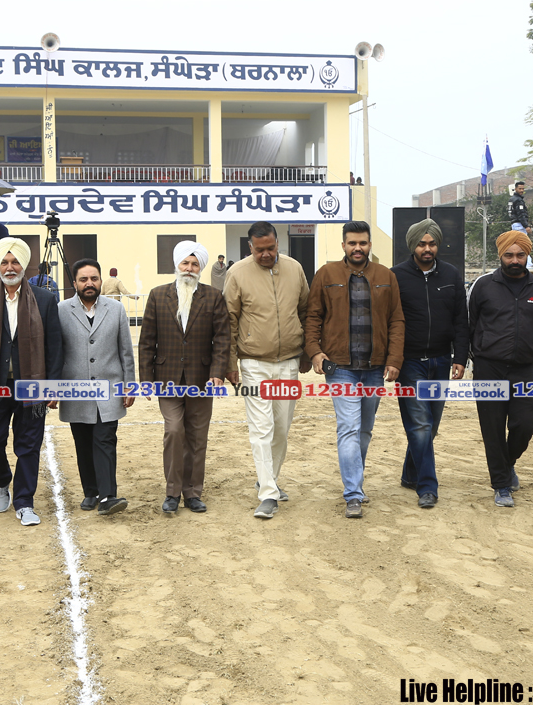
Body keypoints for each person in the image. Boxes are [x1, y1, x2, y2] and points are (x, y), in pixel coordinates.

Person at [304, 221, 404, 519]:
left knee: (364, 430)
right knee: (348, 428)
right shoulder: (326, 274)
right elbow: (313, 317)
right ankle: (353, 494)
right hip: (340, 367)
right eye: (352, 243)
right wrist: (315, 351)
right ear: (343, 245)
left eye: (362, 243)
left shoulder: (386, 276)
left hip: (375, 367)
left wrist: (394, 359)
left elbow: (396, 320)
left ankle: (355, 481)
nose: (357, 248)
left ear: (369, 245)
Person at [0, 237, 62, 526]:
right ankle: (2, 478)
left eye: (15, 262)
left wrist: (53, 386)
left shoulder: (44, 299)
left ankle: (24, 502)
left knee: (29, 445)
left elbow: (54, 347)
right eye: (5, 262)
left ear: (24, 265)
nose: (10, 268)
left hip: (33, 385)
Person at [224, 222, 310, 519]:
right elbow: (229, 320)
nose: (265, 254)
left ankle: (267, 479)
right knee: (261, 428)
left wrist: (306, 352)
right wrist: (230, 363)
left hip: (289, 361)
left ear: (278, 243)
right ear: (250, 247)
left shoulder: (295, 269)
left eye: (270, 248)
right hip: (254, 363)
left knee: (281, 428)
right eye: (259, 249)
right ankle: (268, 495)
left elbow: (305, 311)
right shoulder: (237, 273)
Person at [139, 240, 230, 515]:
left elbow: (222, 339)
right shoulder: (158, 295)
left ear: (200, 268)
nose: (189, 268)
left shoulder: (214, 296)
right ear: (177, 265)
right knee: (174, 431)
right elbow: (147, 341)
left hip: (202, 380)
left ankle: (192, 493)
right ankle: (172, 492)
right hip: (167, 379)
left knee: (197, 437)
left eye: (194, 264)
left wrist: (217, 373)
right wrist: (145, 379)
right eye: (185, 263)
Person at [467, 230, 533, 508]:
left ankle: (508, 463)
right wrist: (475, 358)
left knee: (525, 425)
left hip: (523, 369)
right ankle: (501, 485)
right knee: (492, 430)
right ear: (500, 255)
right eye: (509, 255)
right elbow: (470, 323)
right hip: (488, 368)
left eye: (520, 255)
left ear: (527, 256)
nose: (515, 260)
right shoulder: (483, 285)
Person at [390, 218, 468, 509]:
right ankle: (427, 487)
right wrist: (392, 359)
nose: (427, 249)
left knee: (430, 426)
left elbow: (461, 319)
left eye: (432, 243)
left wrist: (460, 357)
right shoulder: (396, 276)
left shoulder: (451, 274)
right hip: (410, 363)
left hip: (441, 361)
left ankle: (411, 473)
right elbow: (389, 321)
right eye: (422, 244)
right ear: (413, 246)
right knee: (420, 425)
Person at [57, 258, 136, 515]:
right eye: (83, 279)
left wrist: (129, 385)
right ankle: (90, 492)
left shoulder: (116, 309)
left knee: (105, 440)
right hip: (75, 390)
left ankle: (108, 495)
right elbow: (55, 352)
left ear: (101, 281)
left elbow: (126, 351)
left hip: (109, 388)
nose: (89, 283)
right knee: (82, 443)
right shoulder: (61, 310)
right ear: (74, 283)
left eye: (94, 278)